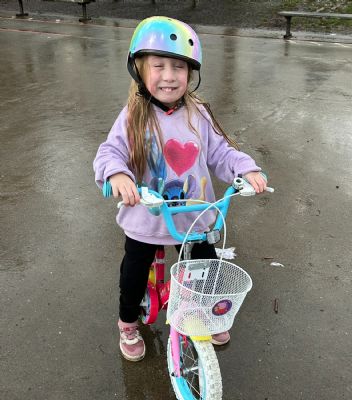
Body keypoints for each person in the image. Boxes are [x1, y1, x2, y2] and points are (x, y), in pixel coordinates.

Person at [93, 16, 268, 362]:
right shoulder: (133, 115)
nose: (170, 76)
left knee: (205, 268)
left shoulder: (198, 113)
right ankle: (128, 323)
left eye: (179, 67)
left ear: (191, 73)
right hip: (147, 216)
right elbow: (110, 152)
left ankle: (203, 312)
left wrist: (245, 168)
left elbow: (221, 152)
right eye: (158, 66)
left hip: (193, 216)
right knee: (133, 273)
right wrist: (117, 175)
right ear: (140, 70)